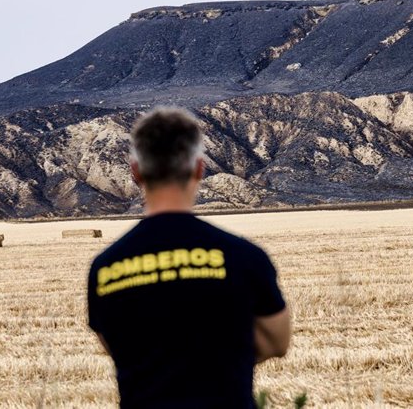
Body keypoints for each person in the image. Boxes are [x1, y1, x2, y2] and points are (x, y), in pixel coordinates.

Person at [87, 107, 291, 408]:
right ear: (199, 168)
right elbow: (277, 342)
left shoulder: (105, 268)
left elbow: (119, 346)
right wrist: (219, 350)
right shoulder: (244, 257)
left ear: (135, 171)